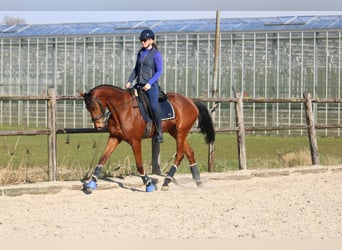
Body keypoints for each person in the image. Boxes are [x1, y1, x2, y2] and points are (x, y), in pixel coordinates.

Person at [126, 29, 164, 143]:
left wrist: (149, 83)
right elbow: (136, 69)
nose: (142, 42)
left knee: (153, 106)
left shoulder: (156, 54)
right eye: (141, 40)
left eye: (144, 40)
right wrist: (130, 80)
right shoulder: (140, 53)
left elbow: (159, 71)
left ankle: (159, 131)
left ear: (151, 40)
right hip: (139, 84)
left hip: (151, 87)